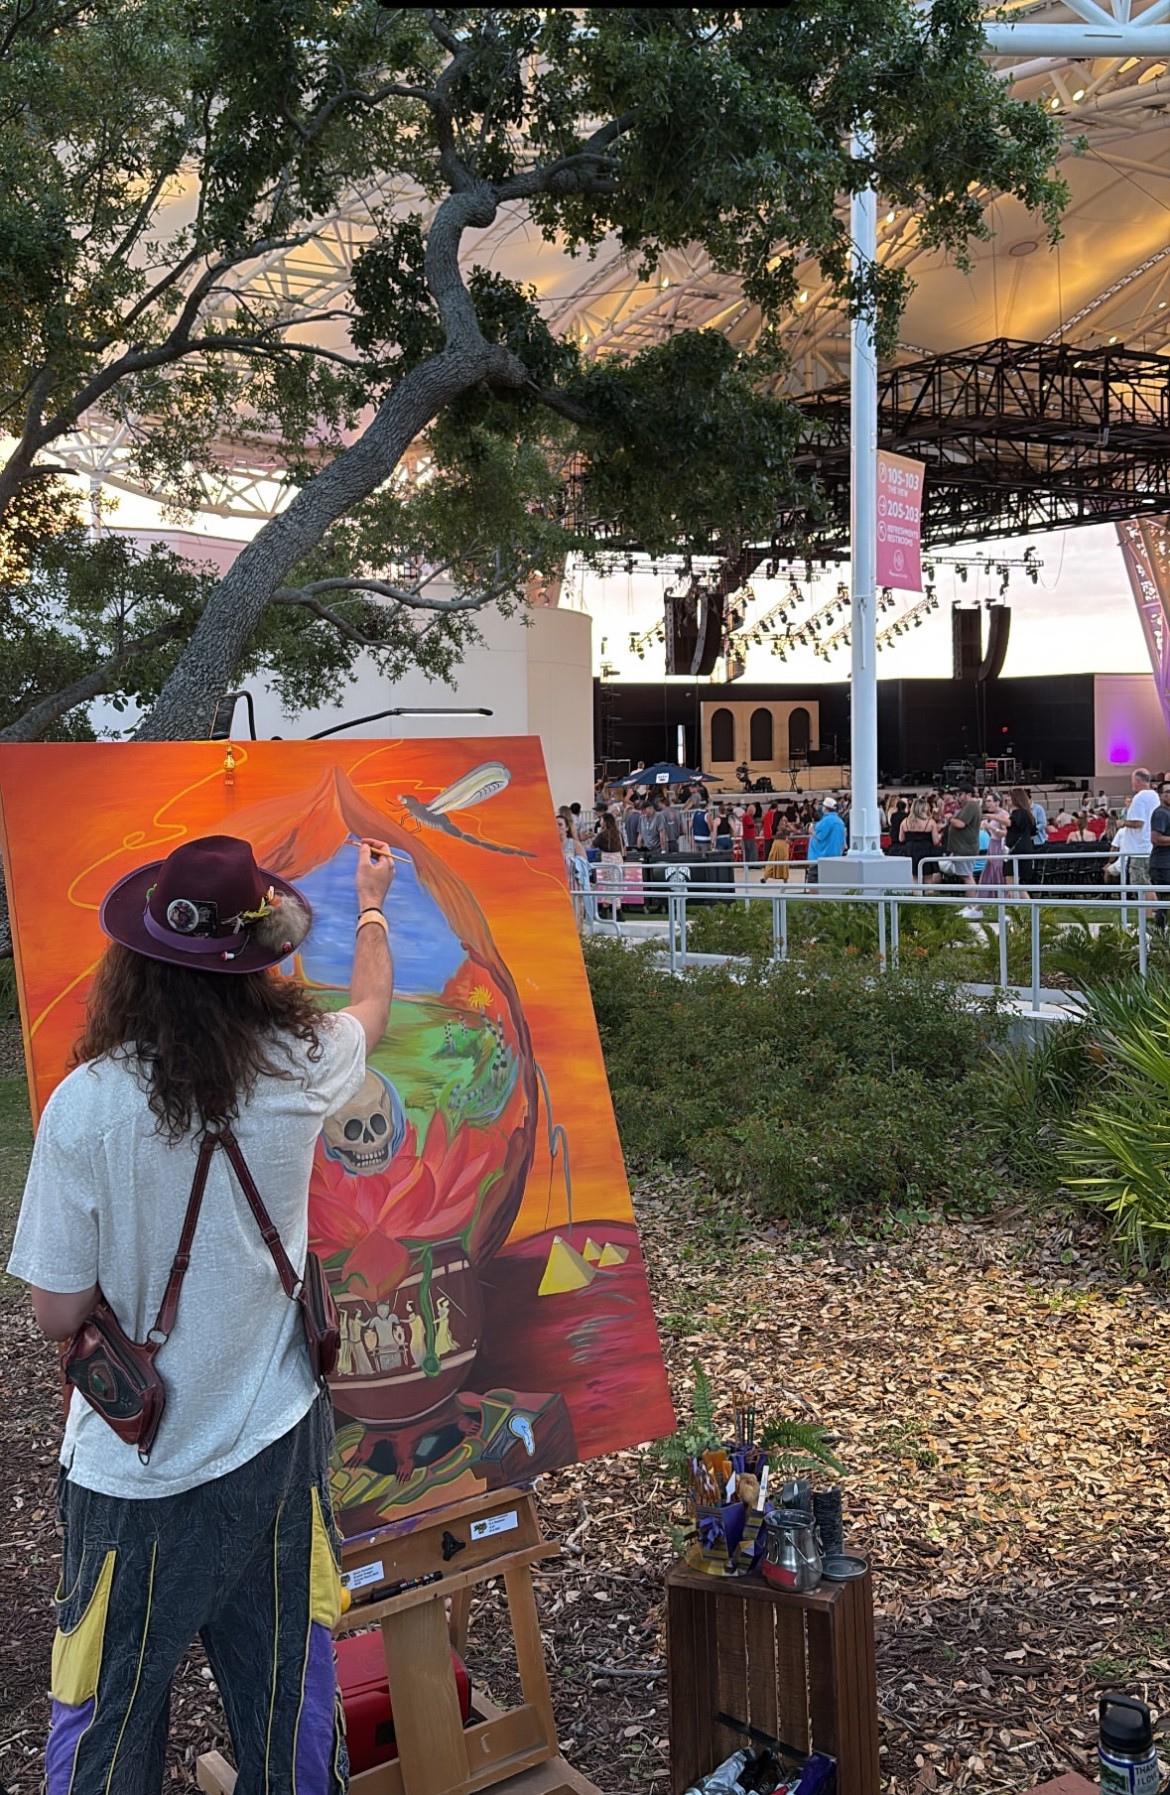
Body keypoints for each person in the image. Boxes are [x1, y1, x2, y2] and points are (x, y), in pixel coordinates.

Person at [7, 833, 396, 1791]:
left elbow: (58, 1310)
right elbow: (374, 1011)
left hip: (134, 1480)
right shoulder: (304, 1061)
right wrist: (374, 900)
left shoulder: (87, 1106)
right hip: (277, 1454)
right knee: (287, 1718)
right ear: (262, 960)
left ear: (136, 961)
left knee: (106, 1731)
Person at [932, 780, 983, 915]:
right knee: (966, 876)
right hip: (962, 847)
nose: (958, 797)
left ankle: (973, 906)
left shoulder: (971, 806)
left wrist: (949, 819)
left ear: (967, 794)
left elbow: (961, 824)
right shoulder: (969, 807)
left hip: (965, 848)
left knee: (967, 876)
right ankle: (971, 906)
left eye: (960, 794)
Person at [1118, 766, 1159, 903]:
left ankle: (1150, 918)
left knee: (1141, 886)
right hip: (1150, 847)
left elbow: (1138, 822)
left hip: (1139, 849)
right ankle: (1156, 914)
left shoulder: (1139, 798)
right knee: (1148, 884)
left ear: (1137, 781)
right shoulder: (1154, 795)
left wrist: (1123, 823)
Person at [805, 795, 845, 885]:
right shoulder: (840, 822)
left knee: (813, 882)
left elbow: (819, 836)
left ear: (825, 808)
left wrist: (811, 830)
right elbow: (843, 844)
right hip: (835, 858)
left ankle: (816, 899)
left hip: (820, 858)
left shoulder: (826, 821)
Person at [898, 796, 940, 883]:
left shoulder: (904, 822)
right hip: (926, 851)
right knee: (928, 880)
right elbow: (936, 841)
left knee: (914, 879)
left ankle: (915, 896)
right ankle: (929, 896)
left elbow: (901, 839)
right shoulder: (930, 822)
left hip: (910, 850)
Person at [1150, 783, 1170, 929]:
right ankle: (1158, 940)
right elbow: (1156, 838)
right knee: (1165, 904)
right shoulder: (1161, 813)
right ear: (1161, 795)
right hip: (1162, 866)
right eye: (1167, 792)